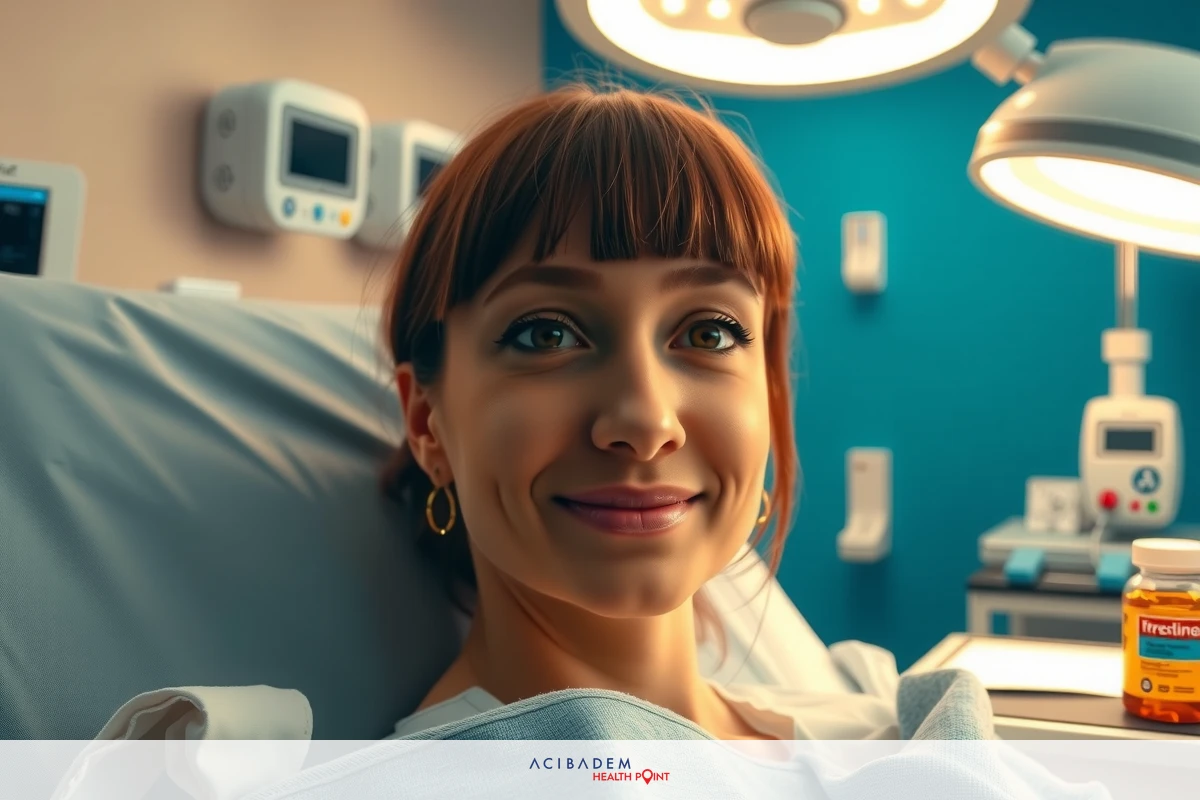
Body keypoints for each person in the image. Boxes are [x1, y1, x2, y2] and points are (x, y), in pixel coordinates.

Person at [379, 83, 899, 741]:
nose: (648, 422)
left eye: (708, 332)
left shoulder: (874, 730)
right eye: (547, 334)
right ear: (427, 422)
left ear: (769, 397)